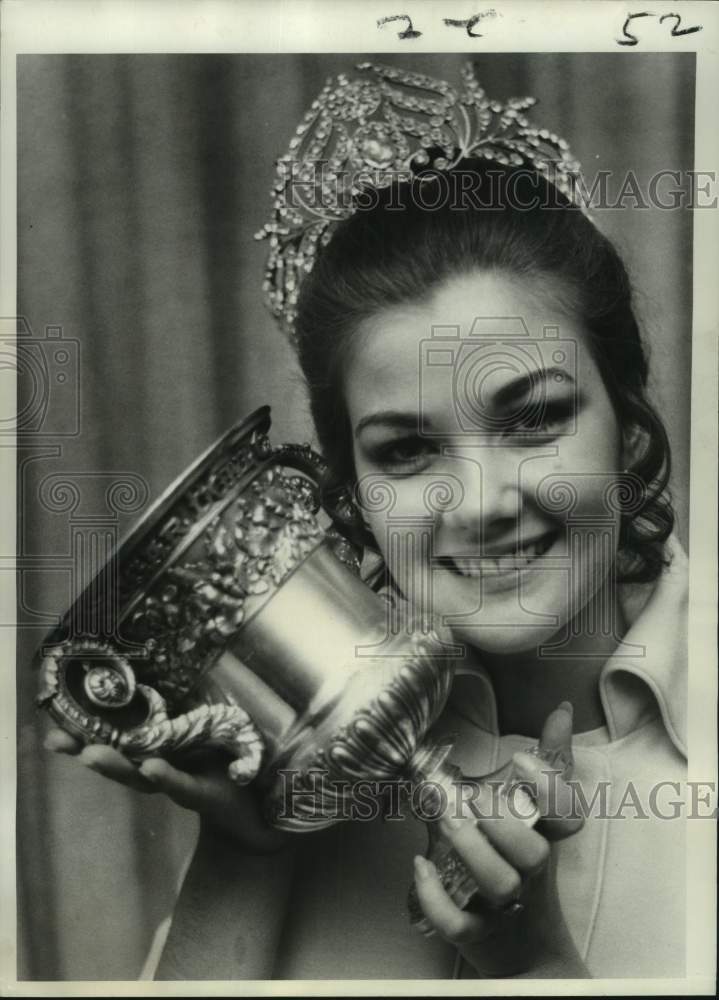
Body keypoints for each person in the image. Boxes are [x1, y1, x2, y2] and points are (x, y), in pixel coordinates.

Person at [44, 62, 688, 980]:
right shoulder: (308, 768)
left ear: (625, 427)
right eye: (406, 451)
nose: (480, 501)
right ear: (346, 494)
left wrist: (534, 968)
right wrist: (247, 850)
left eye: (534, 419)